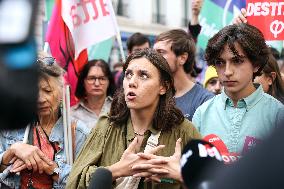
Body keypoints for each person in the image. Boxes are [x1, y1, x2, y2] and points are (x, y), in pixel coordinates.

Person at [66, 49, 201, 189]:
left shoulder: (184, 131)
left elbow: (211, 182)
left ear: (163, 87)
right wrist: (116, 171)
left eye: (143, 75)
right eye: (128, 74)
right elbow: (73, 181)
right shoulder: (107, 125)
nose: (132, 82)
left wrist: (181, 175)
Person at [192, 24, 284, 155]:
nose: (228, 71)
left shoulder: (277, 114)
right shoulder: (202, 114)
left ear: (256, 65)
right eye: (220, 62)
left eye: (237, 61)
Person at [0, 56, 90, 189]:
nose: (40, 99)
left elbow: (85, 182)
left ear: (61, 93)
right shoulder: (12, 124)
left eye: (47, 91)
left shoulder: (78, 132)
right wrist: (12, 151)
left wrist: (51, 168)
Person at [154, 29, 214, 121]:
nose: (154, 57)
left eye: (161, 52)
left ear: (182, 58)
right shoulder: (154, 95)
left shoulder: (204, 100)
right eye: (154, 52)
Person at [71, 59, 115, 128]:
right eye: (91, 78)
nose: (97, 84)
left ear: (109, 81)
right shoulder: (72, 114)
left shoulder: (118, 109)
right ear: (83, 82)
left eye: (102, 79)